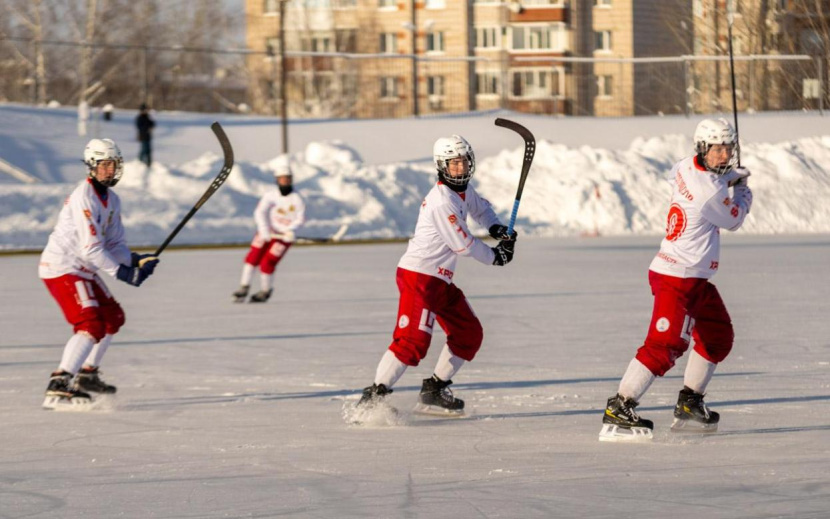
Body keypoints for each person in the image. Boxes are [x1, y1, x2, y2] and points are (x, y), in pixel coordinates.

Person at [599, 118, 753, 441]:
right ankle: (620, 406)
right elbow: (733, 218)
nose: (723, 157)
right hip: (676, 278)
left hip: (695, 279)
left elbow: (678, 174)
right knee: (666, 345)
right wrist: (741, 191)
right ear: (702, 148)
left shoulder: (686, 166)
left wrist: (725, 179)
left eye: (728, 150)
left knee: (718, 335)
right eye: (716, 150)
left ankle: (690, 403)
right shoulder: (709, 191)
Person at [355, 135, 517, 417]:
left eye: (465, 161)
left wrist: (496, 228)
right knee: (412, 342)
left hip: (439, 279)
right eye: (455, 163)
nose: (462, 168)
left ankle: (434, 391)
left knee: (468, 333)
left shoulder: (462, 191)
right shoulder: (442, 201)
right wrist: (495, 257)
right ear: (442, 166)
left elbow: (481, 209)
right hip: (419, 277)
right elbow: (463, 244)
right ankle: (373, 398)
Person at [39, 138, 160, 410]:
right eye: (105, 164)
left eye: (114, 164)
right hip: (64, 267)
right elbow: (91, 247)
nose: (110, 170)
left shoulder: (112, 199)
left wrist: (134, 260)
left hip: (84, 268)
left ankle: (87, 375)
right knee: (90, 324)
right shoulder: (84, 196)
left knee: (113, 318)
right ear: (92, 166)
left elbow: (114, 244)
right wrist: (123, 273)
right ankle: (59, 384)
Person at [232, 158, 305, 303]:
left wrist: (290, 231)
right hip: (267, 231)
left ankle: (265, 290)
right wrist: (264, 229)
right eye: (282, 178)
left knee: (267, 263)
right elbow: (260, 212)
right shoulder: (270, 195)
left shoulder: (297, 199)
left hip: (284, 237)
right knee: (252, 258)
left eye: (287, 178)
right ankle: (244, 286)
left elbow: (300, 219)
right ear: (277, 180)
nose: (285, 181)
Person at [135, 103, 155, 167]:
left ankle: (149, 163)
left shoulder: (147, 117)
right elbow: (140, 127)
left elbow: (152, 123)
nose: (146, 111)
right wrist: (147, 127)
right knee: (144, 150)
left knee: (148, 150)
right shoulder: (140, 117)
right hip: (143, 136)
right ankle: (140, 162)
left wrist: (150, 126)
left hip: (148, 136)